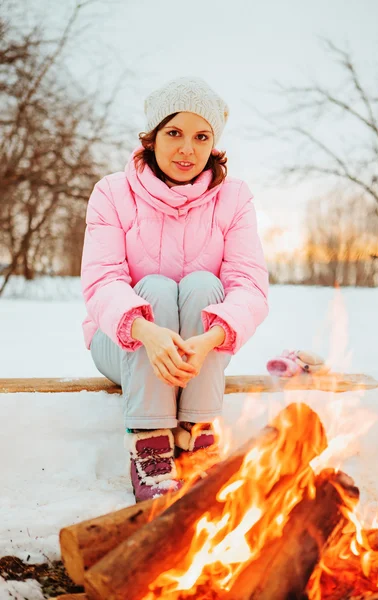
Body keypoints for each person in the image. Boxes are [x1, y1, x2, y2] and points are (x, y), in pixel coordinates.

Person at [80, 77, 269, 502]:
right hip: (124, 346)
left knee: (205, 285)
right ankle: (149, 444)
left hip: (199, 353)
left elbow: (250, 286)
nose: (187, 149)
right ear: (152, 137)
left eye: (201, 137)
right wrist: (146, 331)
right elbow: (101, 280)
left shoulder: (234, 198)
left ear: (214, 145)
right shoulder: (112, 192)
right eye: (174, 133)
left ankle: (199, 433)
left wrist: (211, 340)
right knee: (156, 289)